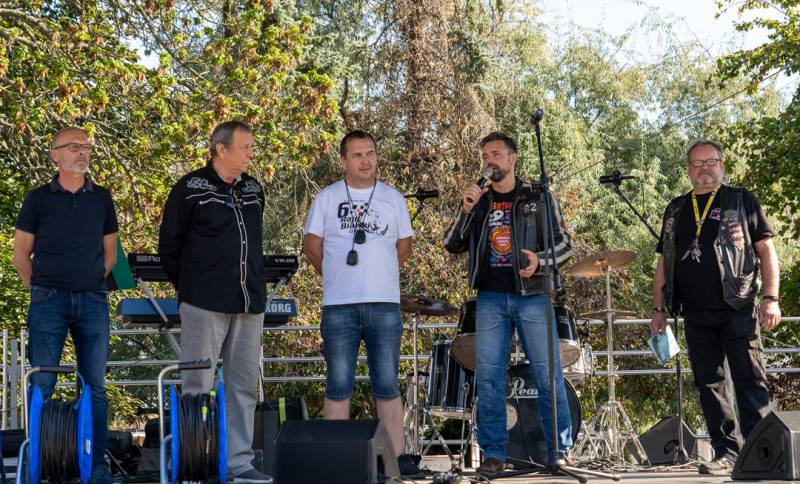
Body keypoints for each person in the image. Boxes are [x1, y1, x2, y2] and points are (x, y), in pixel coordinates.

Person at [443, 131, 574, 478]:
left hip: (532, 296)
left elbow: (565, 245)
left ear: (513, 158)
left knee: (548, 376)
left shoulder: (538, 196)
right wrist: (466, 208)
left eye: (496, 154)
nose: (490, 161)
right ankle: (494, 455)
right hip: (490, 298)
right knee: (488, 380)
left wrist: (541, 261)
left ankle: (559, 452)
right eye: (485, 156)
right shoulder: (479, 200)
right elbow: (451, 243)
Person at [650, 138, 781, 476]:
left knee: (750, 380)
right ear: (688, 169)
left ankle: (761, 455)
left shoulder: (740, 199)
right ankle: (727, 453)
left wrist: (771, 298)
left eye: (710, 161)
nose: (704, 169)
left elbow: (767, 251)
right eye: (697, 163)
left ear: (721, 164)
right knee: (709, 385)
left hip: (738, 307)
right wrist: (658, 310)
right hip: (694, 313)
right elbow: (664, 262)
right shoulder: (676, 208)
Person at [302, 130, 421, 478]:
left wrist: (378, 275)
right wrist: (337, 276)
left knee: (387, 384)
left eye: (370, 153)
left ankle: (396, 461)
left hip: (384, 306)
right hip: (339, 306)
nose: (366, 161)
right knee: (338, 384)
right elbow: (312, 246)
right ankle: (337, 461)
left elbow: (404, 246)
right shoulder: (327, 197)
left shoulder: (392, 197)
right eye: (357, 155)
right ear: (344, 160)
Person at [158, 120, 272, 483]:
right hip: (203, 302)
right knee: (197, 383)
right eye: (245, 147)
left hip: (249, 302)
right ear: (221, 149)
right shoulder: (190, 187)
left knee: (243, 386)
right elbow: (169, 246)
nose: (251, 153)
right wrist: (191, 286)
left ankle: (238, 463)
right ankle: (196, 464)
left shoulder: (253, 188)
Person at [12, 126, 119, 484]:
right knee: (41, 386)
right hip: (48, 302)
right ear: (55, 155)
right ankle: (36, 469)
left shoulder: (102, 198)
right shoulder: (37, 199)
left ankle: (97, 468)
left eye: (86, 147)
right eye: (74, 147)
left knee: (95, 388)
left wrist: (90, 281)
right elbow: (20, 255)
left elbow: (110, 254)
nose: (82, 152)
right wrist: (42, 289)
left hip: (93, 301)